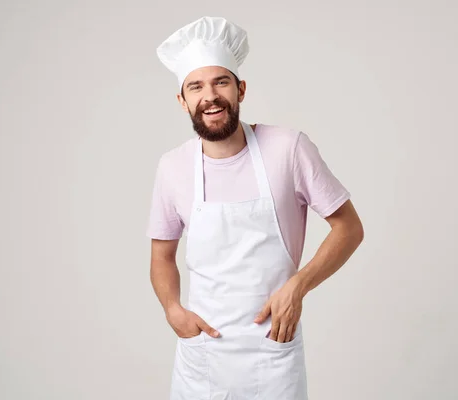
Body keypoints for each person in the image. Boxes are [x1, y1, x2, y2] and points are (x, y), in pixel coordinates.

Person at [146, 16, 364, 400]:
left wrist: (298, 286)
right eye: (195, 86)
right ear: (183, 102)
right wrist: (173, 310)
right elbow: (162, 257)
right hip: (203, 358)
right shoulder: (173, 167)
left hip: (272, 355)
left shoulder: (288, 148)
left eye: (221, 82)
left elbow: (349, 228)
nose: (209, 96)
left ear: (241, 89)